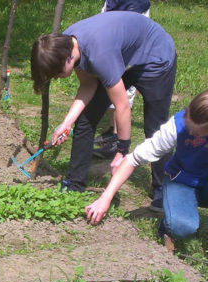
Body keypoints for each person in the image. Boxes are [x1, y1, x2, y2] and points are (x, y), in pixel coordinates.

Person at [30, 11, 176, 212]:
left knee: (156, 128)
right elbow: (88, 86)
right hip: (124, 58)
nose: (55, 78)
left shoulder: (99, 55)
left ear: (67, 58)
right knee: (85, 120)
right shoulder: (68, 44)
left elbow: (122, 107)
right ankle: (74, 183)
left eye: (55, 73)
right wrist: (66, 123)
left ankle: (163, 189)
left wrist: (122, 152)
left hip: (155, 56)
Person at [85, 90, 208, 249]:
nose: (191, 133)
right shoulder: (178, 125)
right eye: (189, 127)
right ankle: (168, 226)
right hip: (182, 180)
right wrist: (105, 198)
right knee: (182, 227)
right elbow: (133, 159)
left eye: (197, 133)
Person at [93, 0, 151, 158]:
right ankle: (113, 130)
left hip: (133, 11)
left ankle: (118, 141)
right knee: (109, 69)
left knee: (122, 73)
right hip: (113, 8)